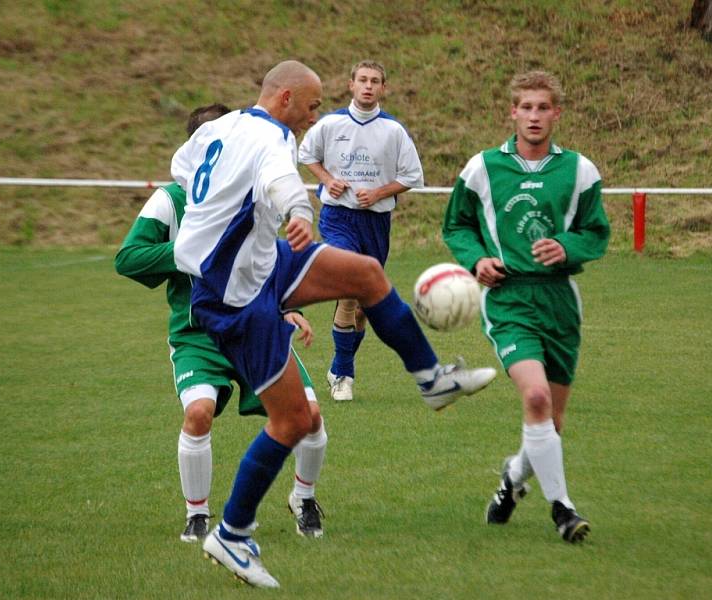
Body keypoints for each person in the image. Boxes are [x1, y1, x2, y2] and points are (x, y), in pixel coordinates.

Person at [171, 60, 496, 588]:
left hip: (258, 263)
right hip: (234, 295)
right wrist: (299, 212)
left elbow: (183, 167)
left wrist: (220, 219)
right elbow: (282, 183)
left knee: (366, 275)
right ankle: (231, 533)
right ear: (284, 100)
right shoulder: (273, 140)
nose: (315, 114)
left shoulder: (220, 126)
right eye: (313, 104)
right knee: (294, 421)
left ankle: (432, 380)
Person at [115, 103, 328, 543]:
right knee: (198, 413)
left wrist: (290, 308)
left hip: (256, 326)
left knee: (309, 415)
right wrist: (191, 255)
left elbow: (268, 262)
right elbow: (129, 258)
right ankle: (198, 514)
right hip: (198, 333)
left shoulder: (251, 195)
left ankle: (303, 499)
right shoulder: (170, 200)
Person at [442, 71, 610, 543]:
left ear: (557, 113)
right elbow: (456, 225)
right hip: (509, 298)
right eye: (526, 107)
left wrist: (567, 247)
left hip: (560, 301)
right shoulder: (481, 168)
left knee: (551, 424)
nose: (534, 116)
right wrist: (477, 259)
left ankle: (512, 481)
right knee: (534, 398)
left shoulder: (579, 170)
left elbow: (596, 233)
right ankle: (563, 509)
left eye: (543, 108)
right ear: (512, 112)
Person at [298, 60, 424, 402]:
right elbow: (306, 153)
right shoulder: (331, 123)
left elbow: (411, 176)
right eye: (363, 80)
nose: (368, 86)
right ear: (351, 84)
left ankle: (341, 365)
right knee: (350, 290)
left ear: (383, 89)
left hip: (375, 223)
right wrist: (327, 180)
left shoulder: (394, 131)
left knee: (365, 304)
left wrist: (381, 192)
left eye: (375, 81)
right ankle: (344, 374)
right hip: (338, 218)